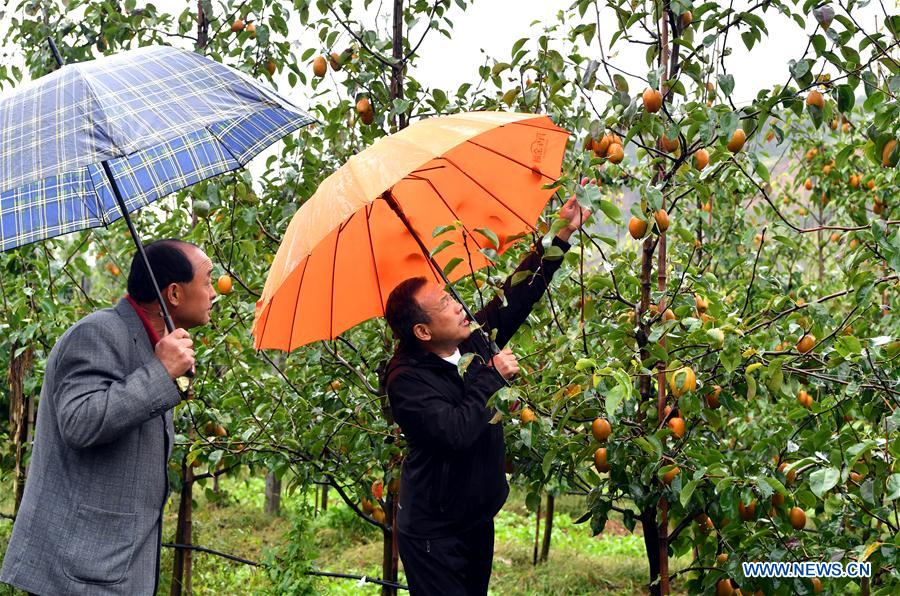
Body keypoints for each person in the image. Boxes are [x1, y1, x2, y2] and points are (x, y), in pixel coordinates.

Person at [382, 196, 591, 595]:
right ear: (423, 332)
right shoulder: (404, 380)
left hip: (476, 517)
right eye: (444, 302)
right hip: (433, 533)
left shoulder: (469, 340)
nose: (458, 304)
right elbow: (454, 432)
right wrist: (492, 375)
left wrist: (560, 234)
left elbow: (515, 300)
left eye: (449, 294)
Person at [0, 239, 216, 596]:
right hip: (79, 572)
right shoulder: (97, 334)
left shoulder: (152, 344)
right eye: (208, 280)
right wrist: (159, 375)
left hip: (111, 565)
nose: (214, 291)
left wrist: (165, 372)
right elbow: (80, 422)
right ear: (174, 293)